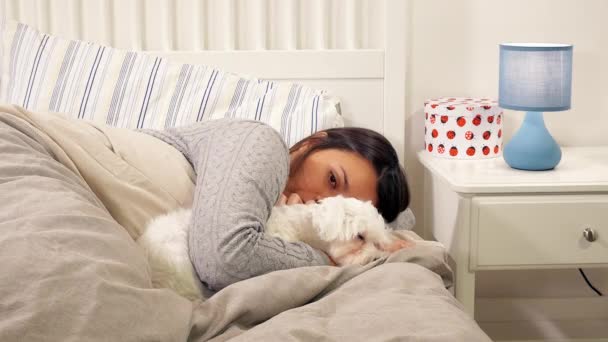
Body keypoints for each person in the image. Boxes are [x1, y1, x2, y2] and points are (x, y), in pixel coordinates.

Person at [143, 119, 410, 291]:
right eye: (332, 179)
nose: (320, 203)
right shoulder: (262, 142)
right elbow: (224, 260)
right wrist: (328, 261)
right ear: (311, 143)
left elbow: (405, 221)